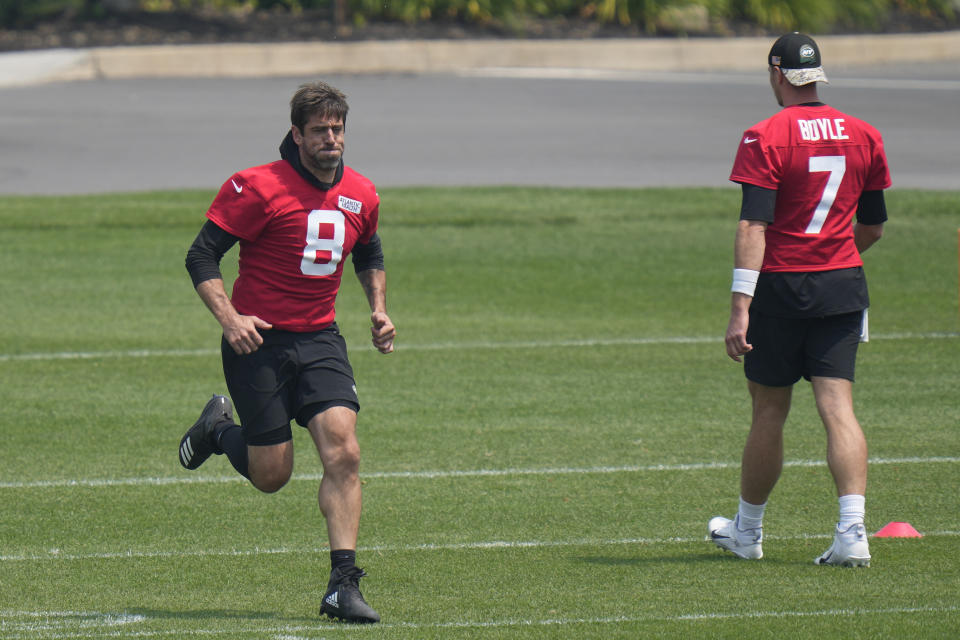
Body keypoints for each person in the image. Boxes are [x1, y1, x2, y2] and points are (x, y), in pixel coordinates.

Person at [178, 80, 395, 622]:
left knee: (344, 450)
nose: (331, 138)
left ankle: (342, 585)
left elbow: (368, 249)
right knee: (271, 474)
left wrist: (379, 308)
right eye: (319, 130)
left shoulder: (362, 194)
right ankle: (218, 431)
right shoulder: (255, 186)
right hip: (258, 341)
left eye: (337, 129)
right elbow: (201, 256)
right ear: (296, 134)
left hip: (321, 339)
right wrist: (230, 319)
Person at [709, 33, 891, 567]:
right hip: (842, 286)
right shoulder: (864, 133)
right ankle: (853, 532)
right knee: (838, 407)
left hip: (781, 289)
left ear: (777, 73)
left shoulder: (763, 135)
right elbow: (875, 227)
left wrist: (740, 305)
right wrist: (832, 255)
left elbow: (753, 224)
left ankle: (747, 533)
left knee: (769, 410)